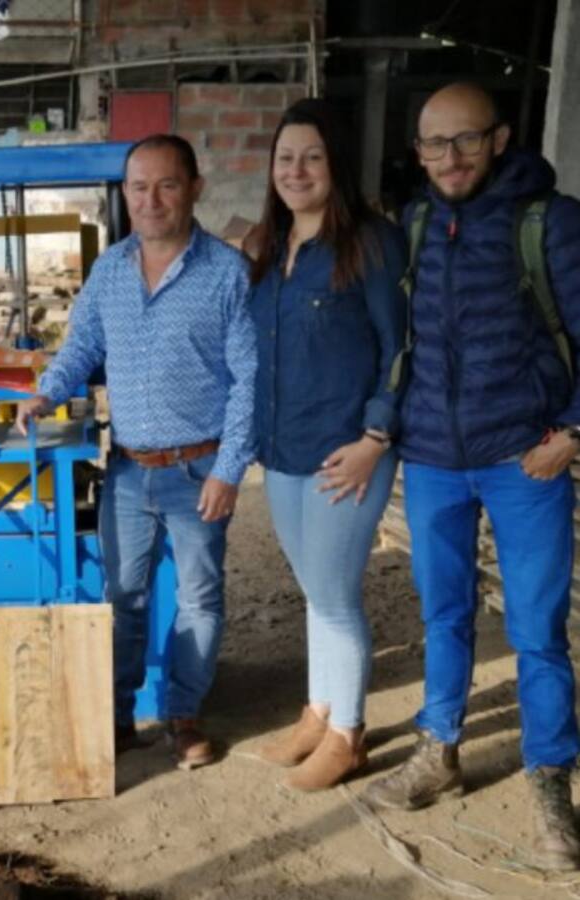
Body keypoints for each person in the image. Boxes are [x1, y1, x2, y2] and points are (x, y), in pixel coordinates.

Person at [363, 83, 580, 872]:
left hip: (524, 460)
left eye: (465, 140)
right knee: (443, 613)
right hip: (432, 462)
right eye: (433, 144)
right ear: (417, 152)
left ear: (501, 138)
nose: (449, 158)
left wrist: (573, 433)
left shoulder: (549, 223)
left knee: (536, 631)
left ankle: (551, 778)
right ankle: (439, 749)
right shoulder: (418, 221)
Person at [16, 134, 256, 769]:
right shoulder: (110, 269)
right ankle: (119, 719)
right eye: (139, 187)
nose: (151, 200)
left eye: (167, 185)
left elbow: (250, 381)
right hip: (126, 470)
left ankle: (182, 717)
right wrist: (46, 393)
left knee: (199, 597)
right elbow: (81, 346)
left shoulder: (226, 273)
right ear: (125, 193)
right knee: (124, 598)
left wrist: (229, 469)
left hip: (199, 469)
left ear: (194, 188)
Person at [243, 99, 407, 791]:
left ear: (335, 164)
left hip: (348, 452)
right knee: (314, 590)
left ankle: (349, 735)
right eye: (286, 158)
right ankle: (319, 711)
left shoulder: (369, 242)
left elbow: (403, 345)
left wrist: (376, 436)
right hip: (283, 449)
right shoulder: (269, 247)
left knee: (336, 595)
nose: (297, 170)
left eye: (312, 156)